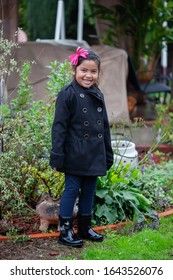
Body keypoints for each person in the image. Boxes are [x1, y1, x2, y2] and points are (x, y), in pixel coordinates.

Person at [49, 47, 114, 248]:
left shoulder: (98, 94)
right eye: (83, 70)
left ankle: (84, 227)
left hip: (94, 152)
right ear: (74, 71)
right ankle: (65, 230)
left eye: (93, 71)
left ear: (98, 74)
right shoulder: (67, 94)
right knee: (71, 190)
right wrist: (57, 155)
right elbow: (59, 128)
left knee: (89, 190)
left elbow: (104, 126)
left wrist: (107, 152)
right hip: (75, 153)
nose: (88, 75)